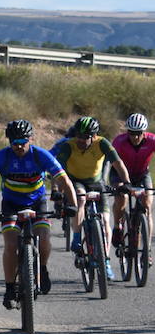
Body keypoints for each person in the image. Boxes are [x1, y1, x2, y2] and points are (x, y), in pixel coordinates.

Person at [0, 119, 77, 308]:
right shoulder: (2, 157)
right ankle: (10, 288)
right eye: (14, 143)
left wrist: (73, 205)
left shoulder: (41, 155)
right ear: (9, 142)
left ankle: (42, 269)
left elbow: (64, 181)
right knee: (11, 244)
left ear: (30, 139)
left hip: (37, 202)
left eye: (22, 143)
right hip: (11, 203)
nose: (19, 147)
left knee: (44, 238)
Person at [52, 116, 130, 278]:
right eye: (78, 136)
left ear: (94, 136)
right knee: (80, 198)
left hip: (96, 182)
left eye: (85, 137)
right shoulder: (69, 145)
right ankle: (76, 237)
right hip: (76, 181)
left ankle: (106, 261)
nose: (80, 140)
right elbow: (56, 170)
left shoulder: (102, 143)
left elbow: (118, 163)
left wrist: (127, 183)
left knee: (106, 221)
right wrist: (56, 190)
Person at [111, 113, 155, 245]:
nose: (135, 137)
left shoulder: (152, 140)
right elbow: (109, 162)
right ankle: (117, 227)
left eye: (138, 133)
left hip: (142, 174)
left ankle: (147, 250)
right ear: (127, 131)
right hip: (120, 174)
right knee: (122, 198)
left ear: (144, 132)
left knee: (147, 205)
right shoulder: (119, 141)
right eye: (131, 133)